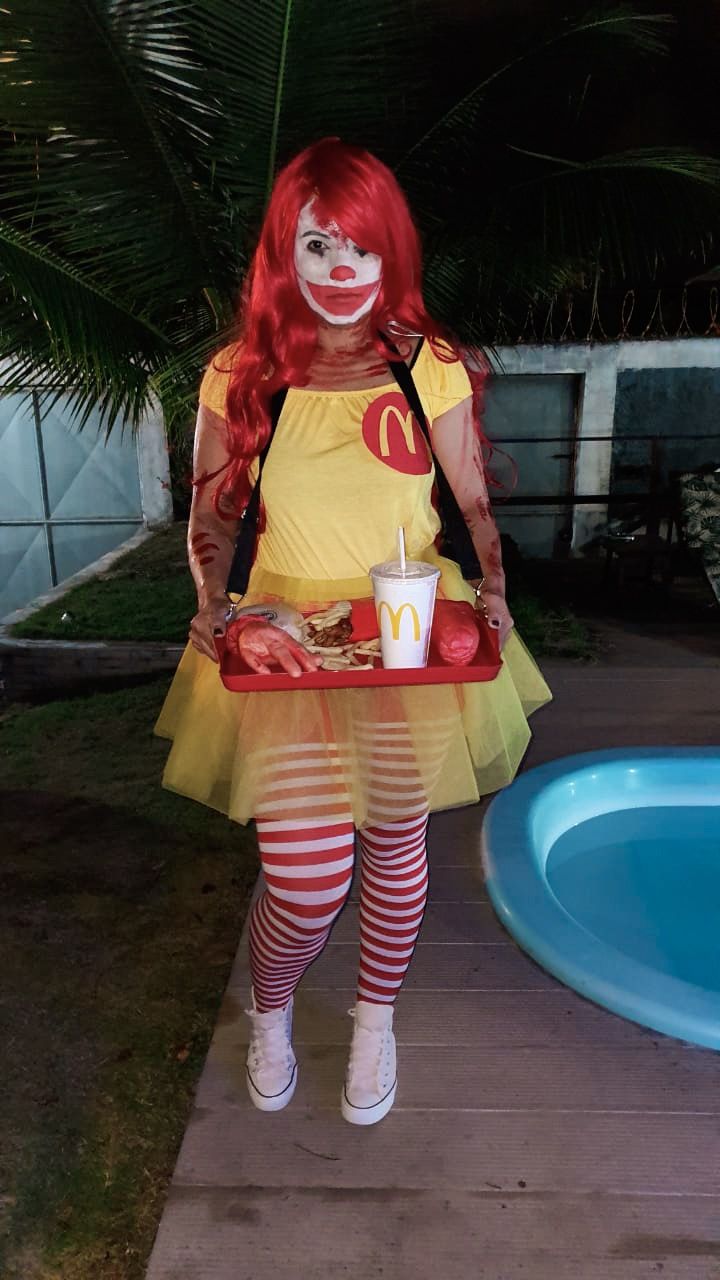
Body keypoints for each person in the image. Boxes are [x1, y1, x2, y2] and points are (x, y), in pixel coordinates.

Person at [155, 138, 552, 1126]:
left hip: (407, 626)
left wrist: (494, 590)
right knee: (303, 870)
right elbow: (210, 519)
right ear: (282, 251)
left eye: (364, 249)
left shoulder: (430, 367)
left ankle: (376, 1017)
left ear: (393, 257)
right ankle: (273, 1004)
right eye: (319, 243)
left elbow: (470, 503)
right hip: (287, 634)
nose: (343, 270)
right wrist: (214, 599)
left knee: (397, 846)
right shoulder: (239, 372)